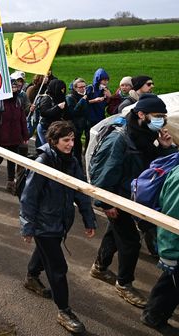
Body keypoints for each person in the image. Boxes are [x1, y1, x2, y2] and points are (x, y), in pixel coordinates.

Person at [89, 94, 176, 307]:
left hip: (131, 196)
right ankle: (124, 284)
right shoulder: (121, 139)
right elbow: (105, 176)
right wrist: (107, 204)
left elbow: (150, 166)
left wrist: (164, 148)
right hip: (117, 197)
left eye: (163, 116)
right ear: (140, 114)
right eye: (157, 116)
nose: (162, 121)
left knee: (114, 232)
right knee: (130, 243)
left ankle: (99, 267)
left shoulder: (146, 135)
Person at [20, 121, 96, 334]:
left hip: (61, 222)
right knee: (58, 268)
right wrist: (28, 227)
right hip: (44, 224)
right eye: (66, 140)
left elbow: (80, 191)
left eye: (73, 139)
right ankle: (64, 311)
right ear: (53, 141)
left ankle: (31, 277)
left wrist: (89, 219)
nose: (71, 144)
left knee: (43, 251)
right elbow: (29, 197)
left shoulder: (71, 161)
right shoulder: (43, 162)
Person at [141, 165, 179, 330]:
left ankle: (154, 314)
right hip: (175, 244)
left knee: (170, 284)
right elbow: (171, 216)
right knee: (171, 283)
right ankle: (154, 316)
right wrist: (170, 252)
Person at [0, 79, 29, 193]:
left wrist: (25, 135)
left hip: (15, 138)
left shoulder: (18, 102)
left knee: (11, 161)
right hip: (1, 139)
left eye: (16, 88)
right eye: (12, 88)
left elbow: (22, 120)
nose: (15, 90)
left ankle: (10, 183)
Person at [37, 79, 68, 146]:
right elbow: (44, 113)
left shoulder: (60, 97)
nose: (62, 91)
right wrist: (58, 107)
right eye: (61, 89)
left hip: (55, 127)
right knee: (49, 147)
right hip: (45, 127)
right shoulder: (47, 98)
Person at [85, 68, 111, 146]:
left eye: (107, 80)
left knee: (100, 136)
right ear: (98, 79)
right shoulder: (90, 88)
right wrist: (95, 100)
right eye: (104, 80)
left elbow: (106, 104)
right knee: (89, 137)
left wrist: (109, 97)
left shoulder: (105, 90)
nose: (106, 82)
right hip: (91, 117)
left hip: (100, 116)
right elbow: (84, 102)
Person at [65, 78, 89, 164]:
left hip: (81, 127)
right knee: (74, 150)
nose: (83, 88)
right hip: (73, 127)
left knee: (77, 149)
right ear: (75, 88)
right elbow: (73, 112)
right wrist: (82, 101)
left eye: (84, 86)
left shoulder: (83, 96)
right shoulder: (70, 97)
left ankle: (77, 166)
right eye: (80, 87)